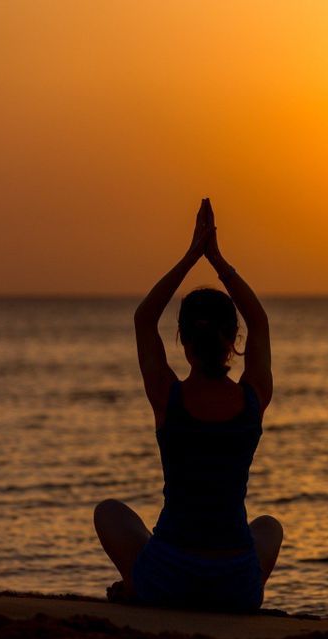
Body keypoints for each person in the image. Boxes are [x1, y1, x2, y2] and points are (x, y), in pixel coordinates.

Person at [93, 198, 282, 612]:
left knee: (109, 512)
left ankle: (134, 587)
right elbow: (262, 321)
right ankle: (177, 588)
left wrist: (191, 256)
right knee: (269, 528)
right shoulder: (252, 398)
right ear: (235, 340)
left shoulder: (167, 395)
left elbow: (144, 318)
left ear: (181, 339)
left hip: (168, 579)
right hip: (236, 588)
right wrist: (217, 260)